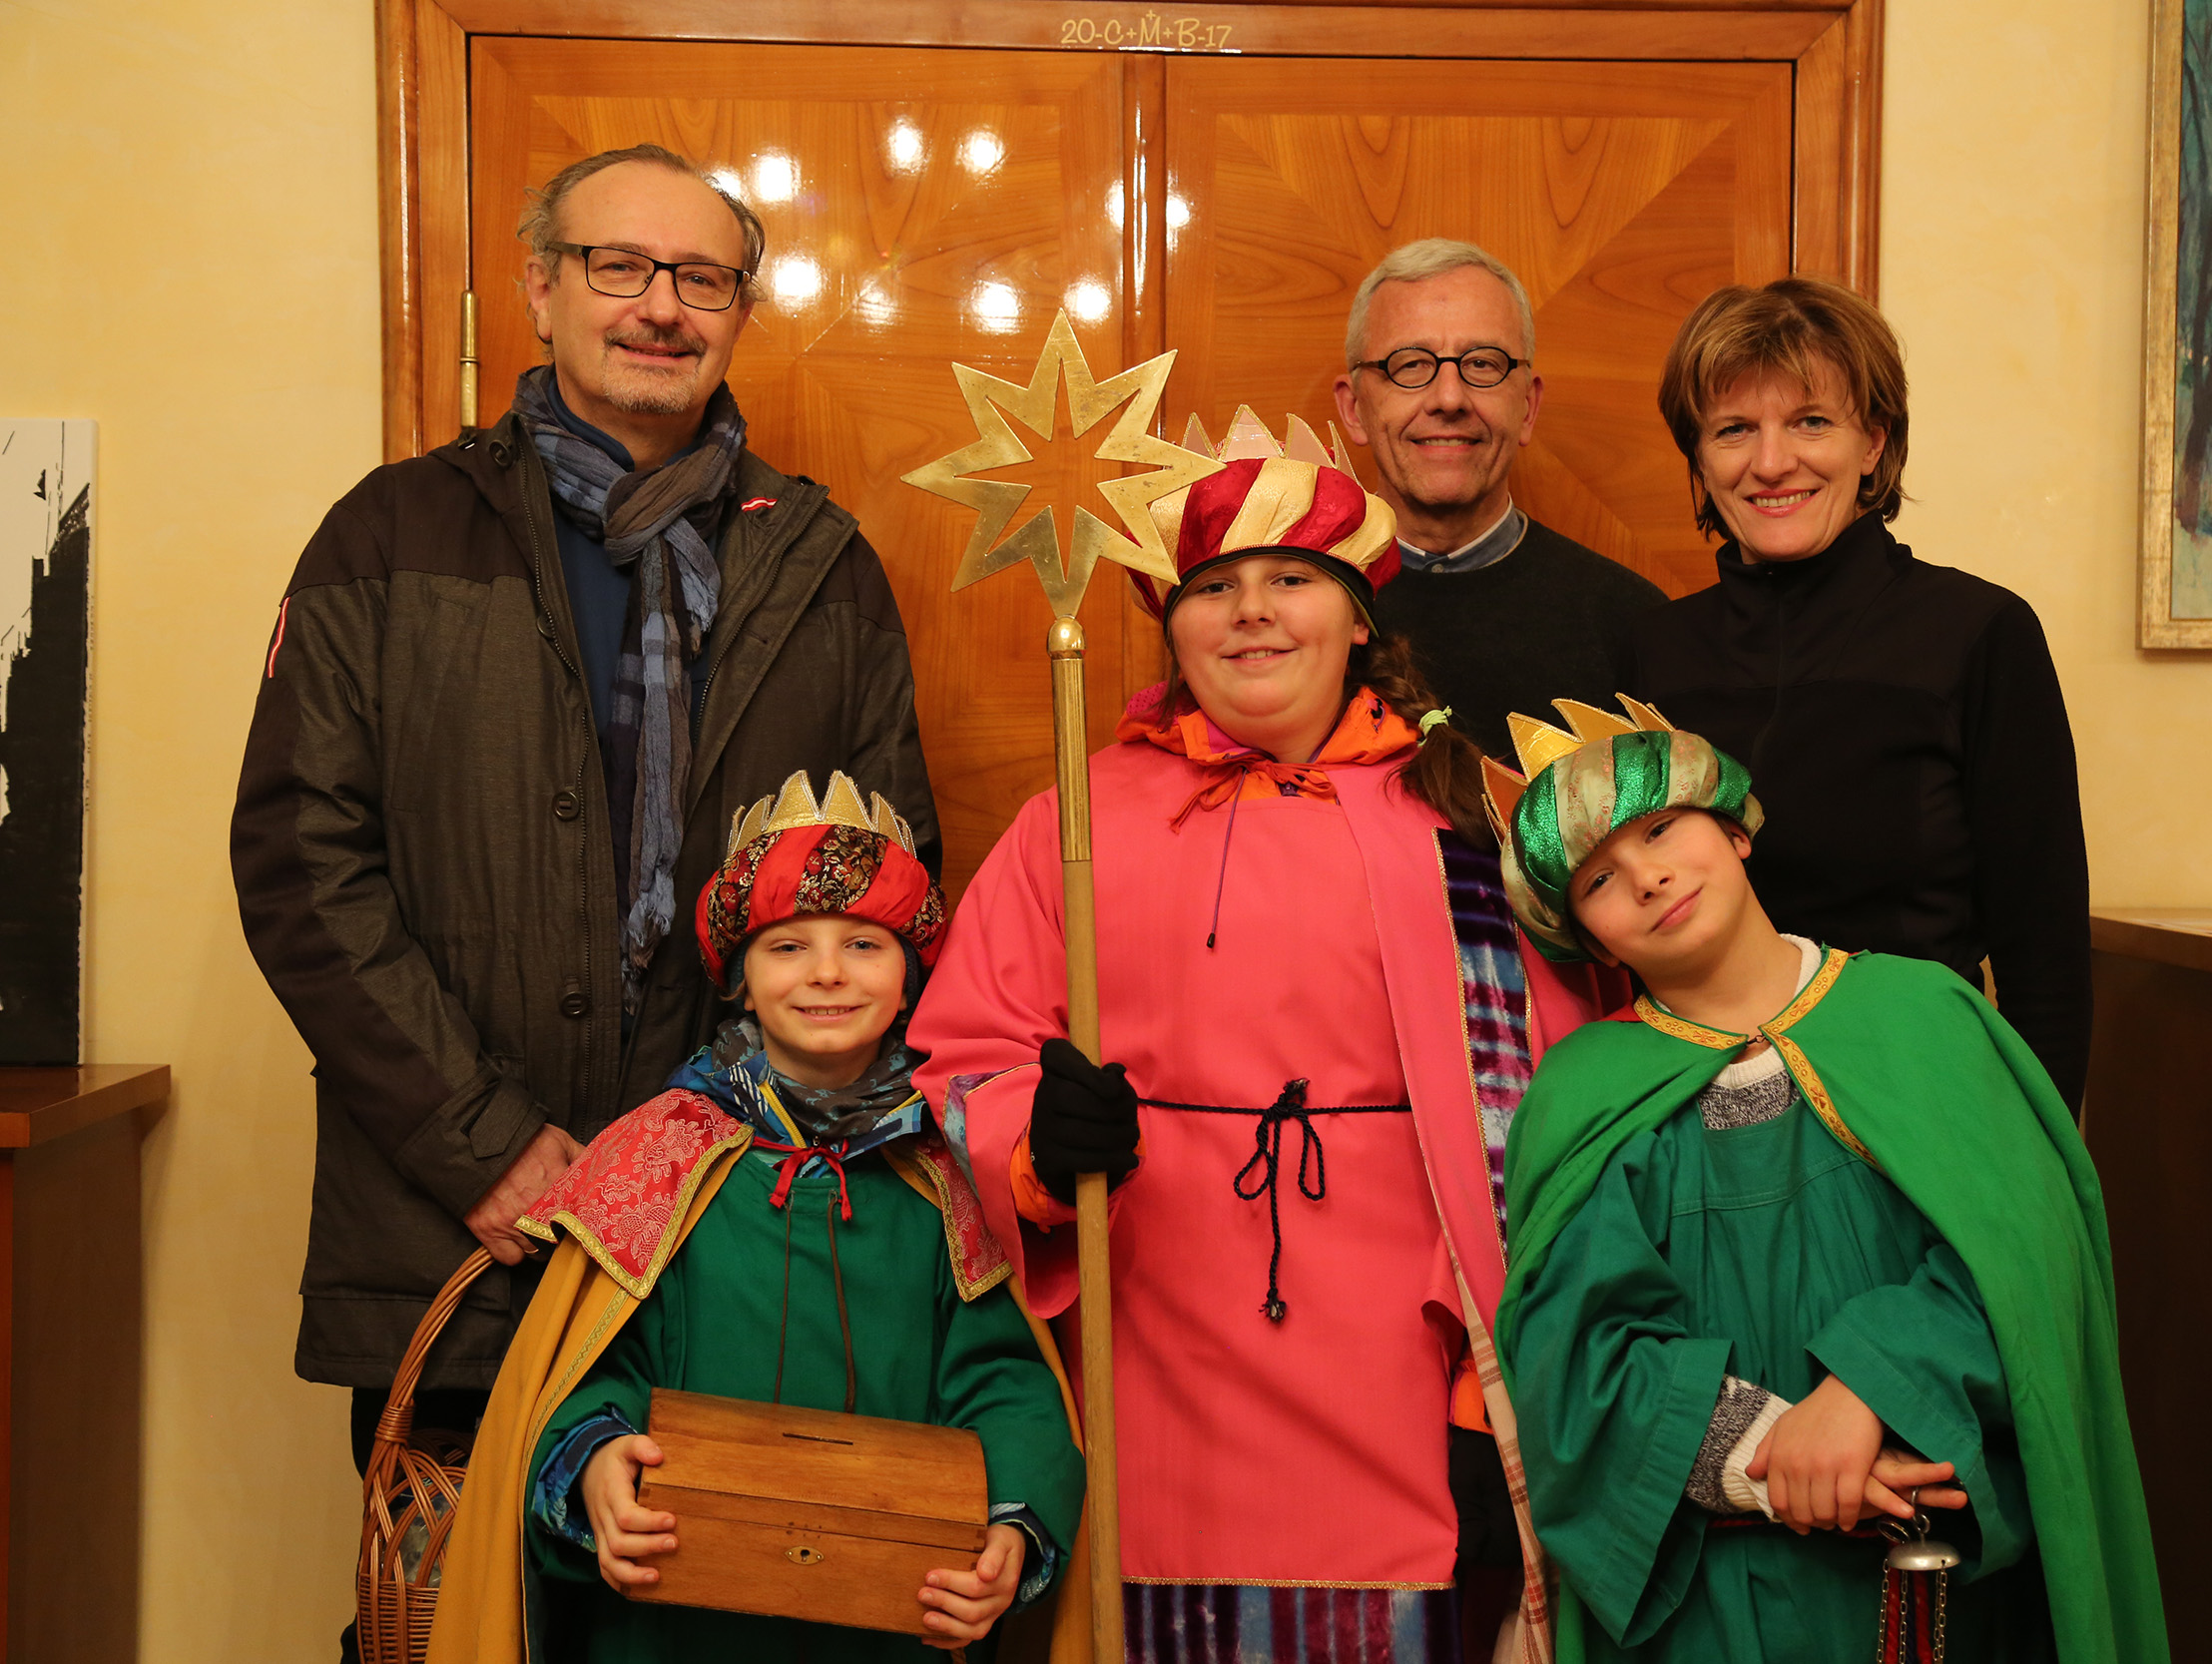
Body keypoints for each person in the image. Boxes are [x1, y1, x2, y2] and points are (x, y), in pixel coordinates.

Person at [230, 141, 938, 1550]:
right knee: (451, 1621)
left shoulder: (820, 557)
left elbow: (888, 889)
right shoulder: (389, 534)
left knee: (716, 1627)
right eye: (620, 266)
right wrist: (485, 1145)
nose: (659, 306)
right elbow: (305, 865)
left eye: (700, 277)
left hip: (746, 1240)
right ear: (541, 286)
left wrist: (746, 1156)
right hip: (461, 1233)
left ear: (739, 311)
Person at [908, 411, 1608, 1664]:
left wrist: (1483, 1351)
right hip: (1153, 1328)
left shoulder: (1461, 818)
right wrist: (1033, 1140)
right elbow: (964, 1062)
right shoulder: (1074, 814)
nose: (1252, 612)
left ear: (1358, 622)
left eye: (1292, 579)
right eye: (1212, 588)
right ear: (1170, 628)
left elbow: (1561, 1099)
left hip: (1403, 1349)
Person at [1483, 697, 2167, 1664]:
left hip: (1939, 1560)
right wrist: (1774, 1454)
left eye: (1662, 828)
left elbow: (2021, 1254)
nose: (1648, 875)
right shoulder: (1582, 1091)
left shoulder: (1922, 1011)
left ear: (1734, 828)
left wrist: (1865, 1393)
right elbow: (1576, 1352)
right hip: (1716, 1597)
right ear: (1587, 939)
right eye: (1599, 877)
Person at [428, 771, 1083, 1663]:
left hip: (886, 1621)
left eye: (863, 943)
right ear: (738, 978)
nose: (825, 972)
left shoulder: (949, 1175)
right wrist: (595, 1464)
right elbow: (588, 1363)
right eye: (786, 946)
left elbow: (1007, 1382)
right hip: (669, 1624)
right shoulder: (658, 1157)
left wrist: (1012, 1525)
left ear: (910, 978)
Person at [1632, 277, 2091, 1109]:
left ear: (1873, 442)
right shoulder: (1652, 651)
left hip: (1921, 1102)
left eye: (1812, 421)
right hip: (1706, 1121)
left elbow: (2044, 951)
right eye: (1735, 429)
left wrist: (2037, 1164)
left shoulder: (1978, 633)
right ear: (1699, 456)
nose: (1772, 462)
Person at [1332, 240, 1666, 760]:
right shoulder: (1285, 618)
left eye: (1483, 364)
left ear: (1528, 407)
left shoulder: (1631, 624)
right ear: (1354, 409)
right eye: (1411, 365)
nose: (1448, 399)